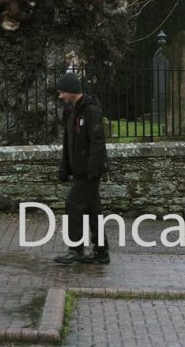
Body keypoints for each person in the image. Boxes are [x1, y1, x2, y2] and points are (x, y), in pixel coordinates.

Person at [54, 72, 110, 264]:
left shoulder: (91, 111)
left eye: (62, 92)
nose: (61, 96)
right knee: (93, 210)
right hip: (79, 170)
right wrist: (65, 167)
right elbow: (68, 142)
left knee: (72, 204)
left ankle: (76, 249)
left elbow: (97, 142)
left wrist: (93, 169)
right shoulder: (71, 112)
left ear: (71, 91)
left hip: (89, 171)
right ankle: (101, 251)